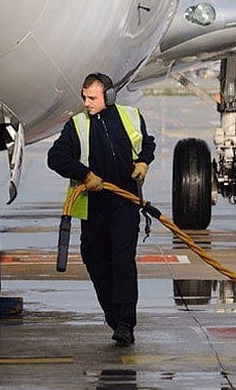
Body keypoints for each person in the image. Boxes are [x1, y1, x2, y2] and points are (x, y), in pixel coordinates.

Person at [47, 73, 156, 346]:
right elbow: (56, 157)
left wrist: (143, 162)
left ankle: (125, 323)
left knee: (123, 264)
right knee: (95, 262)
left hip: (125, 203)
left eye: (92, 98)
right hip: (93, 208)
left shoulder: (130, 116)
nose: (87, 103)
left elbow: (147, 142)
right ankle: (114, 317)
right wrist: (84, 175)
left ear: (109, 97)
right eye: (84, 97)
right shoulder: (77, 125)